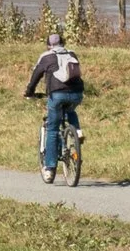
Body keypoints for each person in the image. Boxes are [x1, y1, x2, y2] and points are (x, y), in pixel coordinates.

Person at [23, 30, 84, 182]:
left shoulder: (46, 56)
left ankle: (49, 169)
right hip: (77, 94)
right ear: (63, 43)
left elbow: (36, 75)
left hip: (56, 95)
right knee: (70, 109)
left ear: (48, 45)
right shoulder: (72, 54)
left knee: (52, 128)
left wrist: (29, 92)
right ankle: (77, 130)